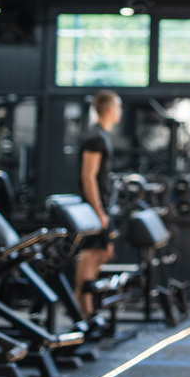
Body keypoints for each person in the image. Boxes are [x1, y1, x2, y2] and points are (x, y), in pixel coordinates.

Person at [74, 89, 122, 318]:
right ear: (111, 109)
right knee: (90, 253)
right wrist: (98, 211)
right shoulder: (95, 137)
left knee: (103, 252)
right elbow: (88, 176)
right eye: (119, 107)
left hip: (102, 205)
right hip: (93, 207)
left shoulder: (102, 135)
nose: (120, 111)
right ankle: (83, 308)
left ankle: (87, 304)